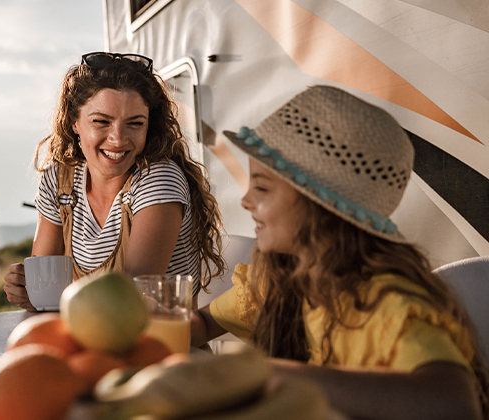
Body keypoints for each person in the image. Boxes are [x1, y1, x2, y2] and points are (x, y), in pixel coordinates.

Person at [192, 85, 488, 419]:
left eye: (261, 187)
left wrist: (275, 375)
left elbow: (456, 406)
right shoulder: (280, 279)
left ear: (320, 207)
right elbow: (204, 322)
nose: (246, 201)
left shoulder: (385, 304)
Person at [3, 52, 224, 311]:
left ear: (149, 126)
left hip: (156, 334)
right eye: (101, 122)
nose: (118, 139)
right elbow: (44, 286)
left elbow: (130, 298)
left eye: (135, 124)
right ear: (74, 122)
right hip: (83, 329)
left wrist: (55, 297)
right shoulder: (58, 180)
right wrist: (28, 290)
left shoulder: (159, 179)